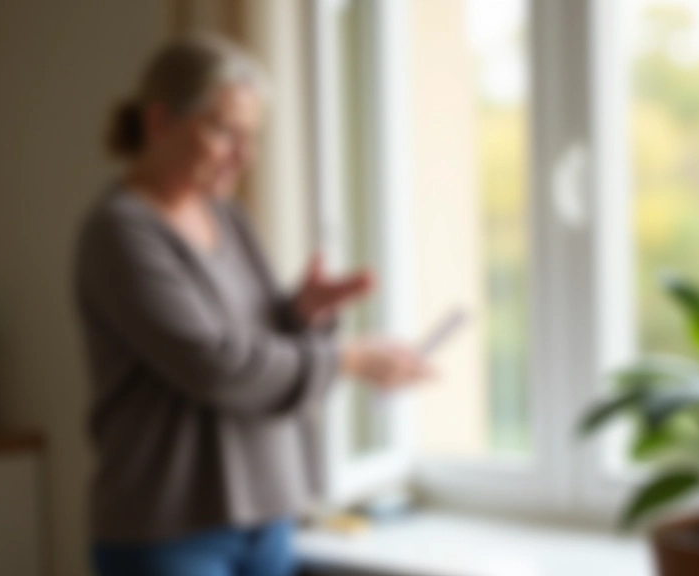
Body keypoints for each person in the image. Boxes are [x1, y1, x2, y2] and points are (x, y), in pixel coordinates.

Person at [74, 34, 432, 576]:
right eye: (225, 131)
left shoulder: (228, 217)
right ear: (160, 122)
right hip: (168, 530)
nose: (245, 156)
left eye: (252, 136)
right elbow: (216, 366)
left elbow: (254, 340)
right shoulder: (120, 232)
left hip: (266, 514)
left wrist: (300, 313)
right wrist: (349, 359)